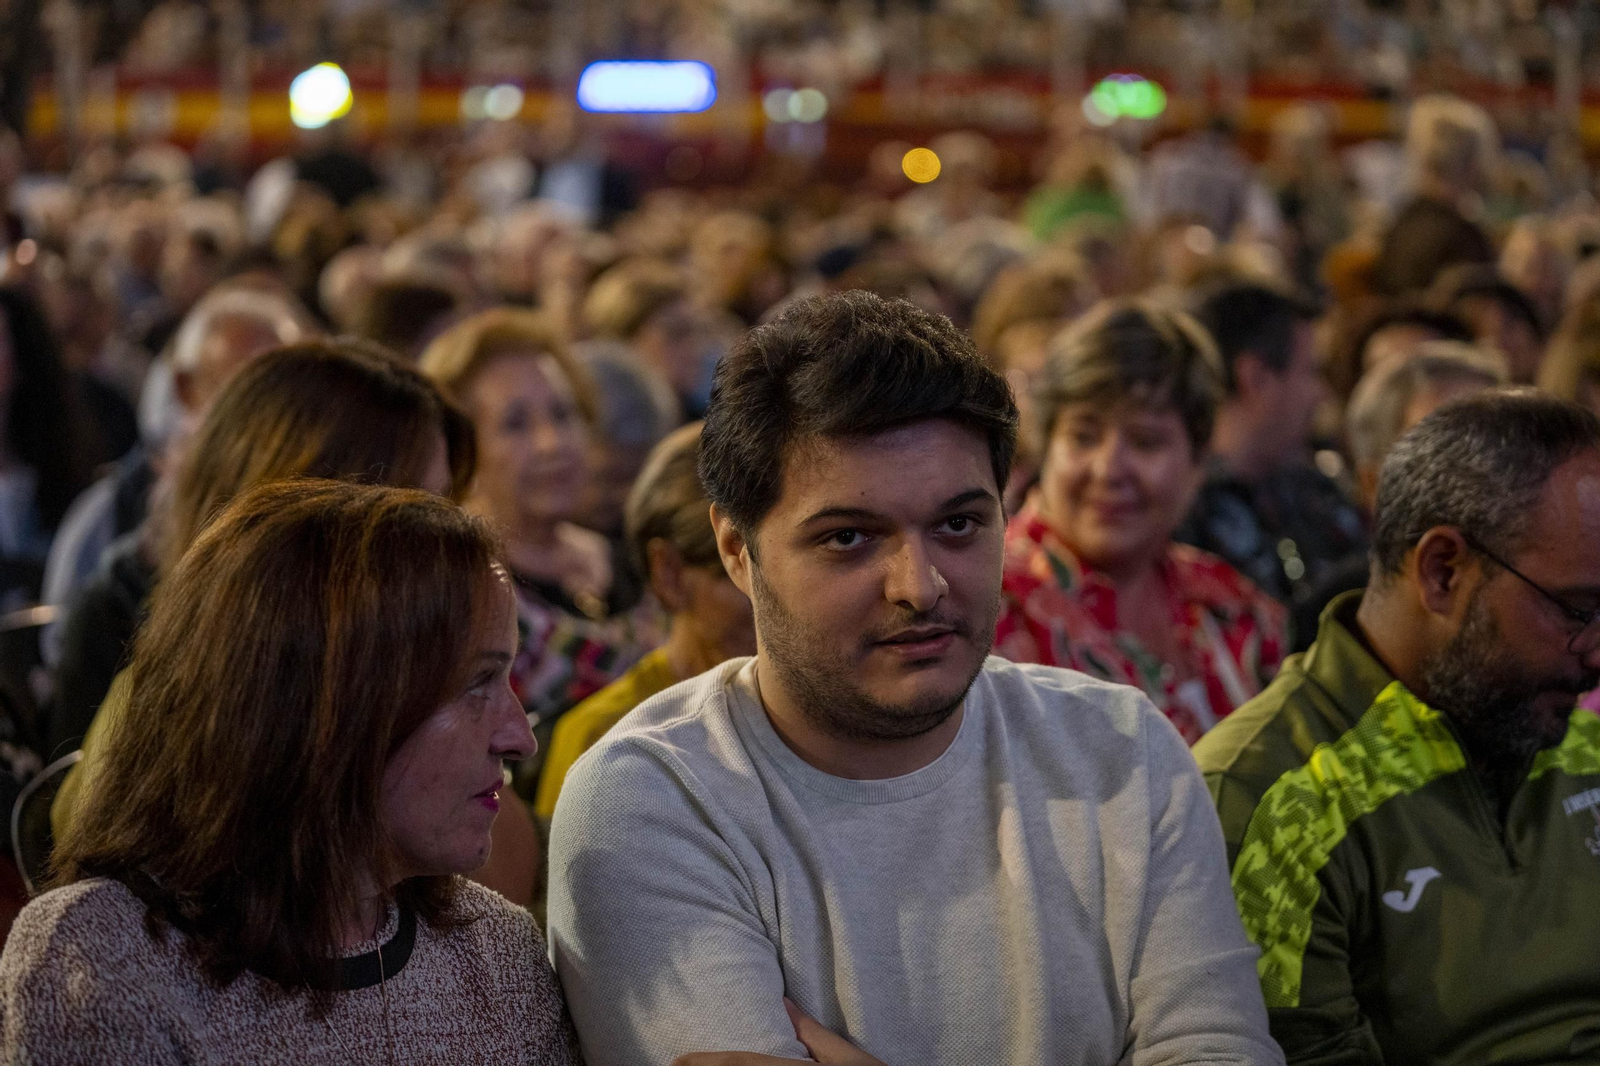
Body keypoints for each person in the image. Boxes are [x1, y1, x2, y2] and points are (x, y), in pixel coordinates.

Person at [547, 291, 1283, 1066]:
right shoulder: (655, 801)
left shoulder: (1123, 752)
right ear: (736, 549)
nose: (919, 584)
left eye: (959, 524)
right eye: (850, 538)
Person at [0, 479, 579, 1063]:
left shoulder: (496, 953)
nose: (520, 738)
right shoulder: (106, 963)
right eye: (478, 682)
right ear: (325, 708)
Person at [1195, 390, 1600, 1066]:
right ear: (1443, 572)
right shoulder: (1272, 798)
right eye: (1579, 611)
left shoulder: (1568, 729)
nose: (1597, 653)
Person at [47, 340, 474, 760]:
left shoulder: (414, 653)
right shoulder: (123, 639)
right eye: (413, 519)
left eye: (443, 510)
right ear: (298, 520)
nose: (440, 549)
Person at [994, 300, 1286, 742]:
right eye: (1083, 436)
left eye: (1145, 441)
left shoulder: (1230, 604)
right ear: (1045, 445)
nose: (1109, 469)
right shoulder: (989, 607)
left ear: (1199, 460)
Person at [421, 308, 658, 791]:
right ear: (462, 450)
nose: (553, 443)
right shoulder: (462, 593)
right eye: (515, 424)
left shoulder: (632, 554)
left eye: (562, 414)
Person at [534, 422, 754, 822]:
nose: (775, 600)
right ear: (668, 573)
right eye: (736, 572)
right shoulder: (605, 739)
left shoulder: (824, 712)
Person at [40, 286, 304, 619]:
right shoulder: (109, 518)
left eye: (288, 394)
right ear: (186, 388)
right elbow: (66, 647)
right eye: (244, 389)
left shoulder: (310, 499)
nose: (269, 414)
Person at [1177, 281, 1369, 611]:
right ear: (1256, 376)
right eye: (1310, 371)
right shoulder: (1180, 515)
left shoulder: (1317, 490)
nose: (1320, 394)